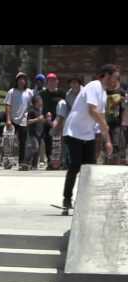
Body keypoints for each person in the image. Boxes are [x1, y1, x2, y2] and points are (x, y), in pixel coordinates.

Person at [62, 64, 118, 210]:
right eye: (115, 78)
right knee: (75, 165)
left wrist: (108, 142)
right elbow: (92, 111)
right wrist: (104, 125)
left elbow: (102, 119)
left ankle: (85, 199)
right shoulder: (94, 86)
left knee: (89, 168)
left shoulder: (104, 94)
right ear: (106, 75)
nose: (116, 81)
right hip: (73, 131)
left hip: (88, 134)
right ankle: (67, 198)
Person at [5, 72, 34, 167]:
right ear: (16, 81)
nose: (22, 81)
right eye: (19, 79)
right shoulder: (11, 91)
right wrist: (8, 120)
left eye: (23, 79)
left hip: (24, 121)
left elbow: (32, 105)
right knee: (10, 142)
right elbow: (8, 106)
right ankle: (8, 161)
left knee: (23, 143)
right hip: (13, 121)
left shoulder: (29, 92)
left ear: (26, 81)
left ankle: (21, 162)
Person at [39, 73, 65, 170]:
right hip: (46, 121)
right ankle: (50, 162)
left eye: (53, 80)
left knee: (60, 142)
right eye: (49, 81)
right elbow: (38, 106)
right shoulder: (42, 94)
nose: (51, 83)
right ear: (47, 82)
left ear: (57, 81)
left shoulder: (62, 93)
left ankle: (60, 162)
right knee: (48, 142)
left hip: (60, 121)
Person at [104, 78, 126, 165]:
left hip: (117, 122)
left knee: (116, 143)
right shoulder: (104, 92)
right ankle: (108, 162)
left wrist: (123, 121)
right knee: (106, 143)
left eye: (114, 81)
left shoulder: (121, 92)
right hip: (105, 122)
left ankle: (116, 163)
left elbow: (124, 108)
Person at [24, 95, 46, 170]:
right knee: (35, 147)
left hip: (39, 133)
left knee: (38, 149)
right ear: (36, 102)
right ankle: (26, 161)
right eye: (40, 100)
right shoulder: (31, 111)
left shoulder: (40, 110)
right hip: (33, 133)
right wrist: (38, 119)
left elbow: (41, 121)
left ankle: (34, 165)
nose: (42, 101)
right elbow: (28, 121)